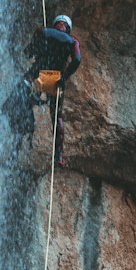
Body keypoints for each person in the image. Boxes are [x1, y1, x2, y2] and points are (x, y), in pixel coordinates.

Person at [17, 13, 82, 167]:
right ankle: (59, 154)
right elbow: (77, 60)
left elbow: (28, 53)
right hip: (55, 78)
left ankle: (19, 137)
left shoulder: (44, 32)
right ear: (68, 28)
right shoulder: (72, 41)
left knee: (24, 99)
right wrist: (64, 77)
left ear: (56, 24)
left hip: (38, 76)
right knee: (57, 116)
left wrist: (33, 51)